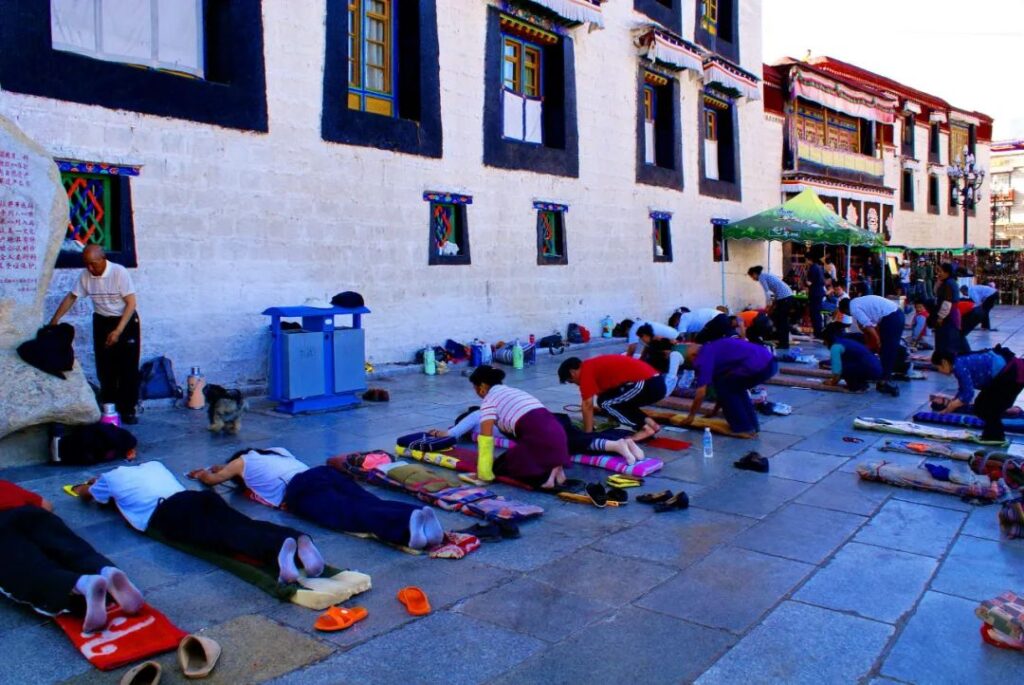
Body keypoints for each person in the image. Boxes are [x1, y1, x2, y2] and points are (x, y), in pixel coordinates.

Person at [74, 461, 324, 584]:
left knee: (221, 535)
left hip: (168, 511)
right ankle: (295, 538)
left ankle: (277, 549)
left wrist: (89, 484)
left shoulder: (109, 477)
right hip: (197, 497)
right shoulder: (153, 465)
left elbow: (86, 494)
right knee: (240, 521)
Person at [188, 448, 442, 550]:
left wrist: (201, 472)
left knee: (348, 513)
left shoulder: (242, 462)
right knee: (365, 500)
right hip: (321, 473)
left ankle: (408, 528)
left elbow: (213, 480)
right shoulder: (277, 452)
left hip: (300, 490)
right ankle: (415, 514)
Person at [0, 480, 144, 632]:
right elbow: (46, 505)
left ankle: (80, 584)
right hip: (32, 514)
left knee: (28, 567)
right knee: (72, 549)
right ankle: (104, 570)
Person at [49, 245, 141, 424]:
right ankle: (109, 406)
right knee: (105, 366)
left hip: (125, 320)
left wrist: (118, 331)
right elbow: (71, 297)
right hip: (102, 321)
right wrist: (55, 320)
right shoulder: (86, 275)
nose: (90, 268)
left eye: (94, 264)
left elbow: (131, 303)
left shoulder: (118, 272)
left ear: (103, 259)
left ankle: (128, 409)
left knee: (127, 366)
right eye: (87, 265)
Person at [453, 365, 572, 488]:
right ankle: (555, 467)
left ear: (482, 386)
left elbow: (485, 441)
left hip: (541, 440)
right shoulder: (515, 392)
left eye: (475, 388)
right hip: (559, 436)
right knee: (503, 461)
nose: (477, 393)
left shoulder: (489, 401)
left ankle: (546, 478)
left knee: (502, 468)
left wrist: (484, 474)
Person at [434, 406, 645, 465]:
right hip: (547, 419)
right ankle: (622, 443)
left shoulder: (481, 415)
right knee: (572, 439)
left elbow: (474, 415)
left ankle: (617, 446)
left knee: (568, 442)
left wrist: (450, 433)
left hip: (538, 426)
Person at [681, 338, 778, 437]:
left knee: (729, 388)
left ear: (694, 356)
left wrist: (691, 416)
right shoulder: (713, 349)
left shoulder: (703, 356)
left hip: (759, 365)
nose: (694, 365)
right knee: (734, 388)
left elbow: (701, 393)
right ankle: (752, 426)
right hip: (770, 362)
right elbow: (721, 391)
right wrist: (714, 412)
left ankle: (743, 428)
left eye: (691, 361)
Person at [558, 355, 664, 440]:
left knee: (606, 403)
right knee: (610, 402)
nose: (575, 384)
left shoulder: (586, 371)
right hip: (655, 382)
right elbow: (607, 396)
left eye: (571, 381)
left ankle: (644, 429)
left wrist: (587, 435)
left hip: (648, 382)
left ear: (573, 372)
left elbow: (587, 405)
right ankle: (652, 425)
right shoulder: (592, 366)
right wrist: (610, 420)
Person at [932, 348, 1024, 443]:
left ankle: (994, 437)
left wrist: (949, 408)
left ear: (944, 362)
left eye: (938, 367)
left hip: (1012, 375)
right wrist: (953, 403)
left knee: (988, 408)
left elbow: (968, 394)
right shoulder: (959, 362)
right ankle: (992, 435)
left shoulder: (959, 365)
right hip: (1004, 376)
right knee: (981, 406)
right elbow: (963, 389)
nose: (939, 371)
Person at [838, 295, 904, 396]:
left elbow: (868, 325)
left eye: (846, 313)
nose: (849, 315)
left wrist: (877, 341)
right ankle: (886, 375)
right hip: (895, 314)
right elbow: (865, 325)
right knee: (889, 349)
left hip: (891, 317)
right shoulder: (856, 301)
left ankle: (884, 381)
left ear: (846, 309)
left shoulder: (853, 308)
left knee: (887, 350)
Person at [821, 323, 882, 392]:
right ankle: (861, 384)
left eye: (824, 341)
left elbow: (837, 369)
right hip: (876, 369)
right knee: (847, 364)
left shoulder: (835, 347)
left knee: (843, 367)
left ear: (827, 340)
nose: (824, 344)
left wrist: (832, 382)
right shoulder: (844, 341)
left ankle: (855, 387)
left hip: (870, 369)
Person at [748, 265, 796, 349]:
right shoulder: (766, 275)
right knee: (778, 319)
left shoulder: (762, 277)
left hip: (785, 298)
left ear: (755, 274)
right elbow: (774, 293)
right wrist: (772, 305)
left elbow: (768, 293)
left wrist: (768, 305)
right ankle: (782, 340)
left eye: (752, 276)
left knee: (782, 321)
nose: (752, 278)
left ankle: (784, 343)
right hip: (785, 297)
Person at [932, 263, 968, 356]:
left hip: (949, 314)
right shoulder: (947, 282)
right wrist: (938, 281)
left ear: (947, 272)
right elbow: (936, 292)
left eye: (940, 271)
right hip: (949, 313)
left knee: (948, 338)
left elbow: (947, 302)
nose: (938, 273)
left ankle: (948, 360)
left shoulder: (949, 284)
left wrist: (940, 317)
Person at [805, 251, 827, 338]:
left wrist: (805, 281)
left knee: (814, 313)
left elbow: (809, 283)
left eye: (806, 259)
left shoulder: (812, 268)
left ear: (809, 259)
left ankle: (817, 333)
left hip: (815, 293)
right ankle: (818, 332)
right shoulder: (819, 267)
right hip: (820, 292)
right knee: (817, 313)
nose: (805, 261)